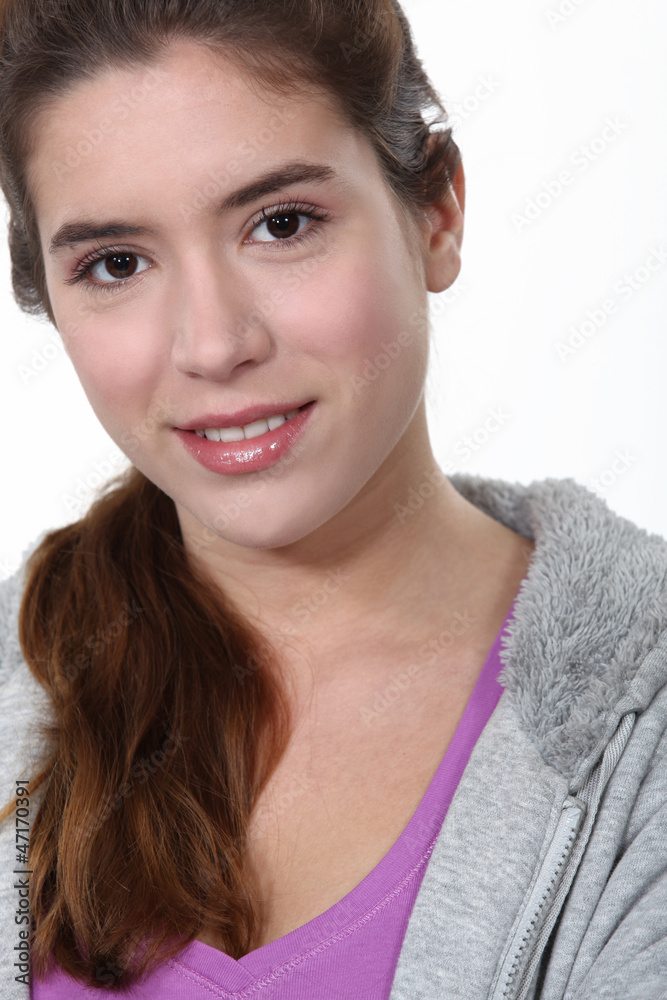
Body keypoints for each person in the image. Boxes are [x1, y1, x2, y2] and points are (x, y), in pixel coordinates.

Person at [0, 1, 665, 998]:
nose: (213, 343)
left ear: (436, 213)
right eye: (117, 264)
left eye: (281, 223)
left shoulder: (642, 727)